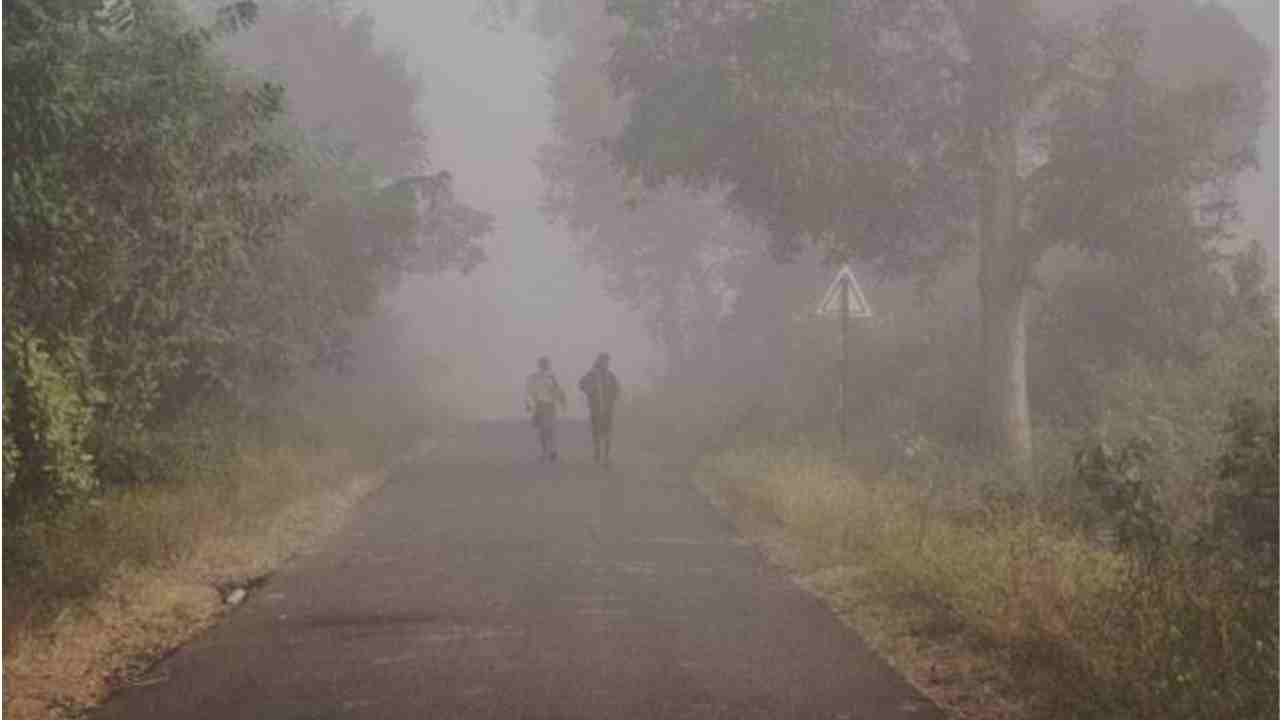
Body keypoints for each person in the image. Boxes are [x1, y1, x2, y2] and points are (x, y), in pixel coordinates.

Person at [579, 352, 620, 466]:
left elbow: (617, 388)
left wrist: (613, 398)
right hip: (595, 408)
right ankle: (597, 452)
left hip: (607, 408)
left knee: (607, 432)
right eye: (604, 361)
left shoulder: (610, 375)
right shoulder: (592, 374)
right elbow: (581, 384)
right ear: (599, 362)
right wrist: (589, 390)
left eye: (607, 361)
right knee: (596, 432)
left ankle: (607, 456)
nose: (606, 363)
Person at [525, 356, 566, 461]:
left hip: (550, 406)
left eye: (546, 364)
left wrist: (562, 401)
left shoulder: (552, 377)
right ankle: (545, 453)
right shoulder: (534, 377)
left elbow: (558, 390)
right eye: (543, 364)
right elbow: (530, 391)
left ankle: (552, 451)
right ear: (540, 365)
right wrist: (528, 404)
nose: (545, 366)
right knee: (542, 431)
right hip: (540, 406)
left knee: (550, 429)